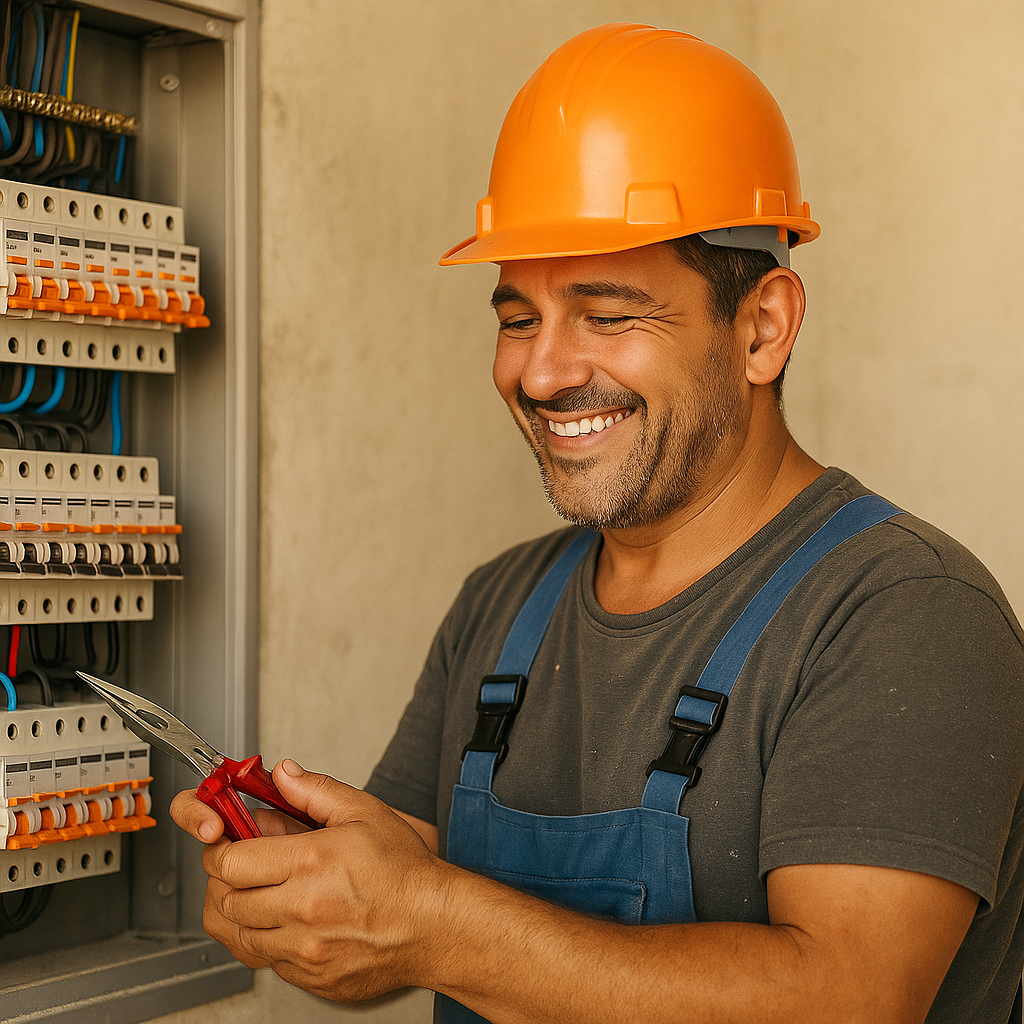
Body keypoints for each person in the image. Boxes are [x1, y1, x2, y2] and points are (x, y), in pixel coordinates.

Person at [171, 23, 1024, 1024]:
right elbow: (387, 943)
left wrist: (431, 920)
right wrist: (310, 890)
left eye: (608, 315)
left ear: (761, 328)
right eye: (517, 319)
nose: (541, 373)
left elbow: (844, 1001)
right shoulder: (502, 603)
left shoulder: (905, 613)